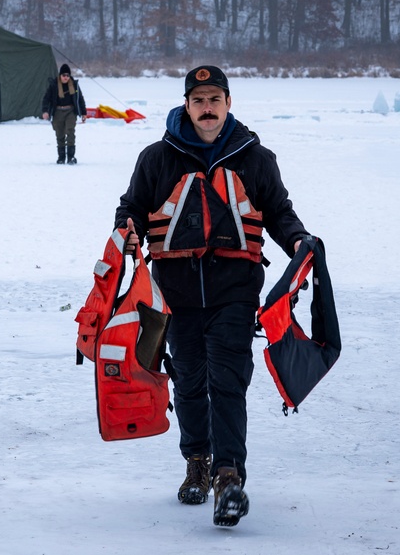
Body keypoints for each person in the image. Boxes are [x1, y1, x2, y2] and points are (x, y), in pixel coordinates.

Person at [114, 65, 309, 527]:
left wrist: (298, 240)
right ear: (186, 105)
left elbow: (279, 212)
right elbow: (131, 208)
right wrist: (126, 230)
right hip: (175, 294)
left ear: (228, 104)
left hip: (234, 293)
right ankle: (196, 461)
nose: (207, 108)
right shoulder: (156, 158)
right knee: (188, 380)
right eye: (198, 100)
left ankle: (228, 475)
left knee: (228, 378)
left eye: (214, 99)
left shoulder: (256, 158)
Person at [41, 63, 87, 164]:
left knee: (70, 132)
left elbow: (80, 99)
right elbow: (46, 99)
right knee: (60, 134)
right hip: (58, 112)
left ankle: (71, 157)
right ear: (60, 76)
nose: (66, 77)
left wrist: (83, 113)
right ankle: (61, 157)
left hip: (70, 111)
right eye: (63, 75)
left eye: (67, 75)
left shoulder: (74, 85)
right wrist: (45, 111)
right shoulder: (54, 85)